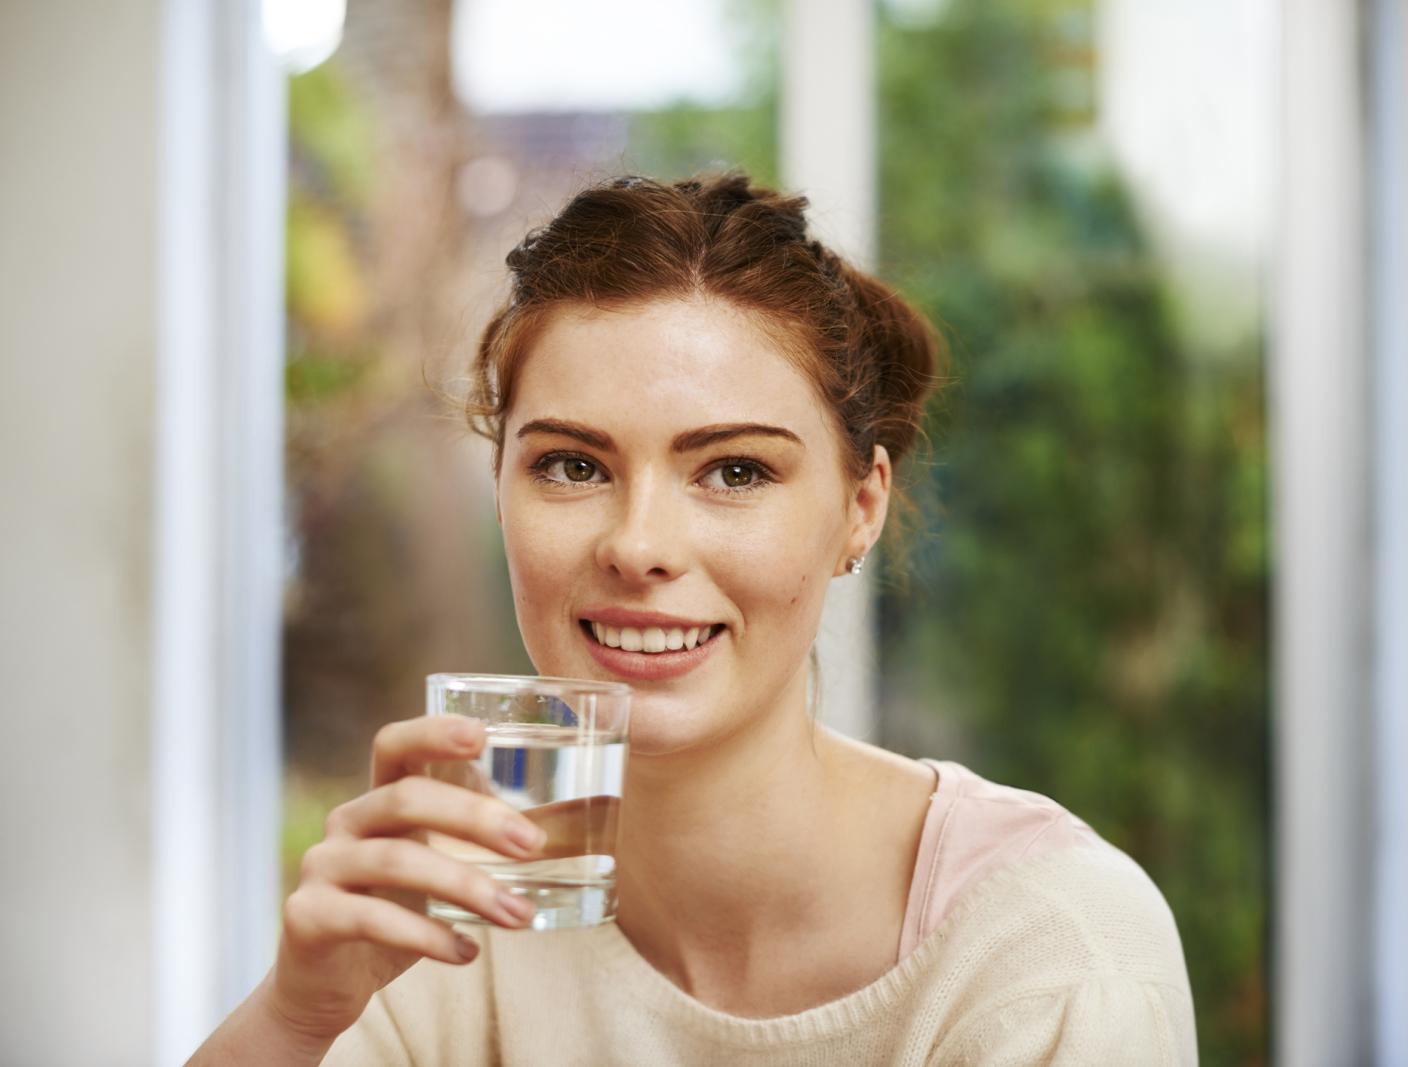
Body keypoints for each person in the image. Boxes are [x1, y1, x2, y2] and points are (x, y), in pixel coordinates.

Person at [190, 173, 1196, 1065]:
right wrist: (292, 1020)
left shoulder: (1051, 952)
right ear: (501, 490)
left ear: (861, 506)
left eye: (734, 470)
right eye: (572, 465)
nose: (638, 545)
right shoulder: (447, 917)